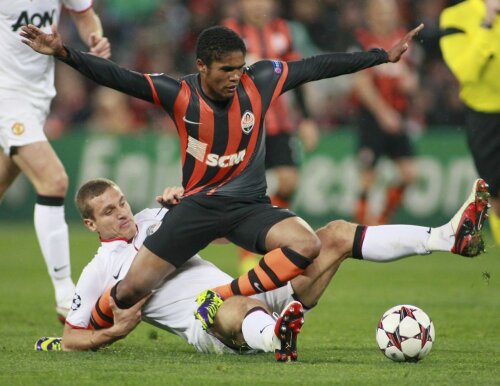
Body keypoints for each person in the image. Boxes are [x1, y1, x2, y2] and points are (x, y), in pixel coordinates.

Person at [21, 22, 425, 332]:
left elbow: (318, 66)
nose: (236, 76)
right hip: (196, 208)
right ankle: (80, 334)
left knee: (307, 245)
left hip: (248, 206)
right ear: (201, 66)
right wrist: (63, 53)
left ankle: (224, 298)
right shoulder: (178, 93)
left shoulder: (262, 80)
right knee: (129, 291)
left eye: (240, 67)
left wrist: (379, 56)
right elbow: (116, 76)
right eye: (226, 69)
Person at [36, 176, 489, 360]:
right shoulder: (101, 268)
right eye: (109, 212)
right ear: (91, 224)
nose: (122, 213)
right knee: (224, 309)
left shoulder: (157, 219)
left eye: (122, 202)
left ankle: (443, 238)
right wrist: (109, 335)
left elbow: (218, 231)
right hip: (212, 320)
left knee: (331, 235)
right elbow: (72, 335)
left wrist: (191, 207)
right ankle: (275, 336)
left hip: (251, 290)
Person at [0, 1, 111, 321]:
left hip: (38, 95)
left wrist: (95, 40)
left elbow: (85, 15)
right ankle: (66, 294)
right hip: (6, 94)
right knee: (54, 180)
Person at [223, 0, 320, 274]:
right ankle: (246, 251)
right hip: (241, 125)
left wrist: (307, 118)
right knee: (244, 190)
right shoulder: (229, 32)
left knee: (289, 181)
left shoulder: (283, 31)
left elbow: (297, 76)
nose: (257, 5)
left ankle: (272, 231)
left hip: (278, 123)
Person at [352, 0, 422, 225]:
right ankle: (360, 228)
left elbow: (413, 76)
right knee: (367, 177)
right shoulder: (361, 41)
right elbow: (361, 83)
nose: (385, 16)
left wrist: (412, 83)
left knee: (410, 173)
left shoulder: (404, 39)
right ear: (370, 15)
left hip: (398, 116)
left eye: (389, 12)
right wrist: (383, 114)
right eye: (380, 12)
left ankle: (381, 219)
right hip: (371, 118)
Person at [440, 0, 500, 246]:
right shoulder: (455, 16)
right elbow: (466, 71)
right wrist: (487, 23)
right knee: (497, 197)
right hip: (485, 116)